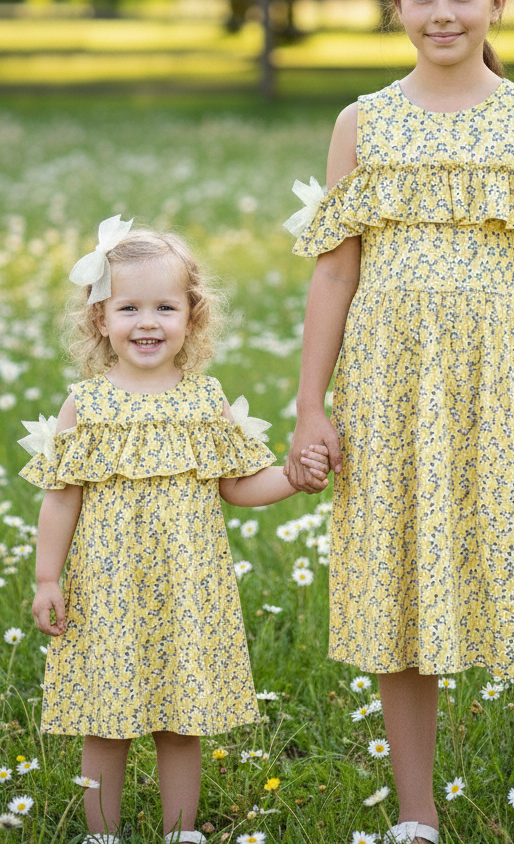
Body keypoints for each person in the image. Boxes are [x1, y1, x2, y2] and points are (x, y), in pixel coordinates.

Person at [283, 0, 514, 844]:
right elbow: (334, 273)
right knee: (398, 592)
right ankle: (416, 817)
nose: (443, 12)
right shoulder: (363, 122)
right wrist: (311, 406)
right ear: (395, 5)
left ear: (498, 1)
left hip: (500, 394)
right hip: (385, 394)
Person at [19, 218, 329, 844]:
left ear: (192, 315)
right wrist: (47, 577)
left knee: (181, 721)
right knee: (105, 721)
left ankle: (181, 831)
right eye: (128, 308)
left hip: (187, 588)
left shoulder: (206, 401)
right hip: (108, 591)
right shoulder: (87, 404)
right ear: (100, 319)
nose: (148, 322)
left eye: (165, 307)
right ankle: (101, 834)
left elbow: (238, 485)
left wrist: (293, 477)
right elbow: (61, 497)